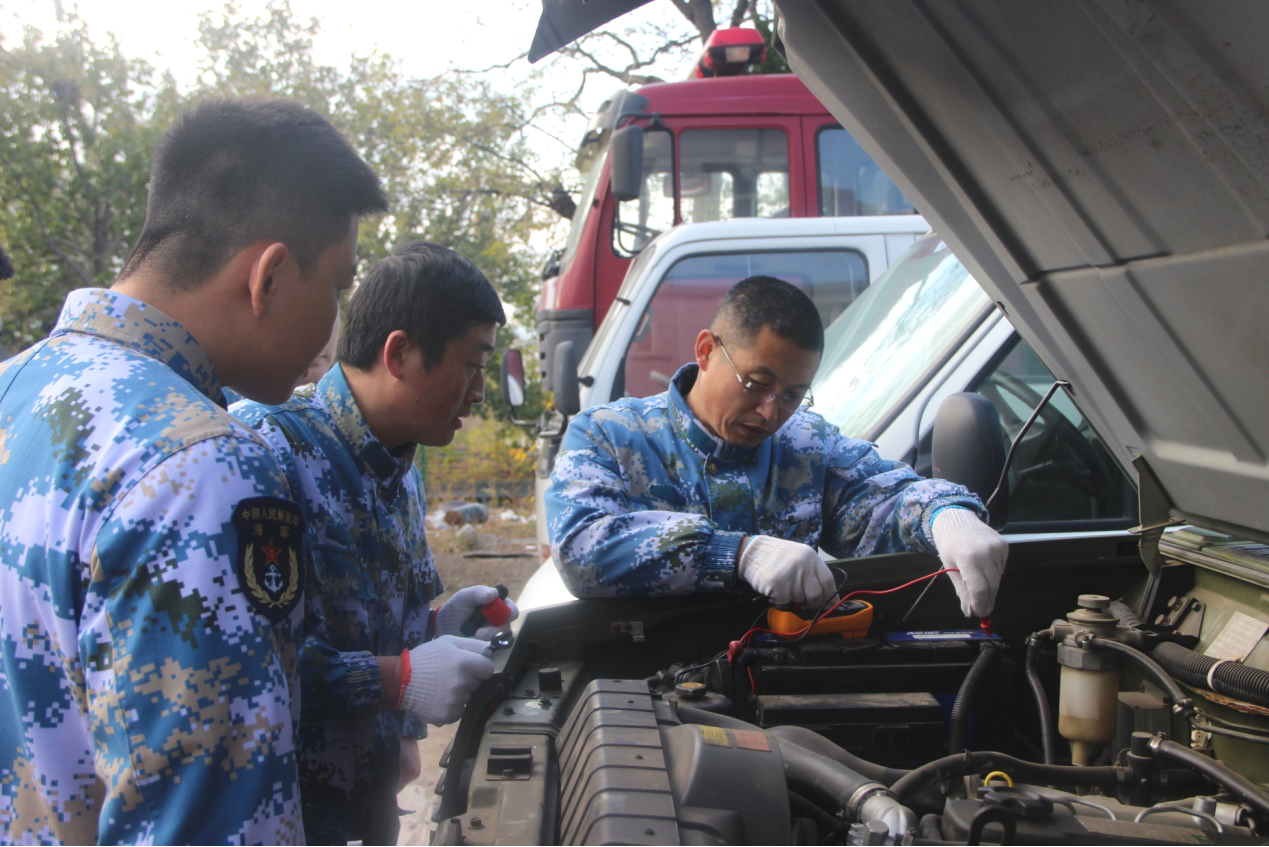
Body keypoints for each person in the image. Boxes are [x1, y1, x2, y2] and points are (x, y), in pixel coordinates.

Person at [0, 97, 386, 844]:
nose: (337, 319)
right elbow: (214, 820)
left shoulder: (14, 388)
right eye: (337, 285)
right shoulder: (203, 465)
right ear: (268, 276)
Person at [231, 241, 517, 845]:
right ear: (400, 353)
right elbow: (239, 668)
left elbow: (367, 619)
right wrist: (396, 678)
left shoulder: (399, 464)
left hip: (366, 809)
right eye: (472, 364)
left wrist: (434, 629)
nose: (480, 391)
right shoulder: (266, 455)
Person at [547, 275, 1007, 616]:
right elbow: (581, 548)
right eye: (757, 383)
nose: (771, 412)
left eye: (791, 394)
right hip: (651, 697)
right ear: (706, 351)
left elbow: (882, 497)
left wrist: (944, 514)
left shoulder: (807, 445)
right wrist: (737, 553)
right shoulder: (610, 435)